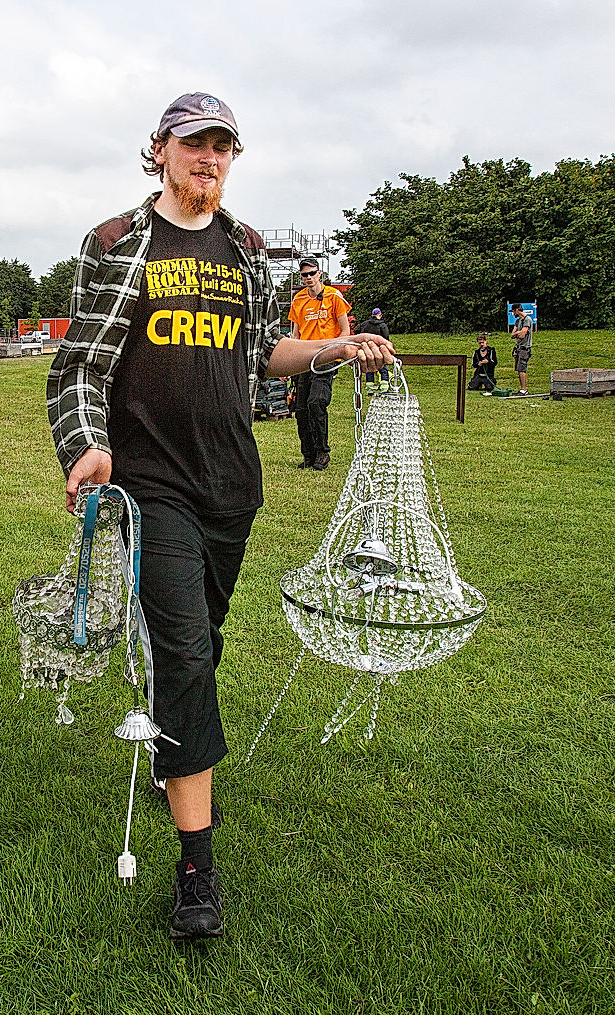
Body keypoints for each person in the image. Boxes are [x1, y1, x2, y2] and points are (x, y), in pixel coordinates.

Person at [46, 92, 394, 942]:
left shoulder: (244, 251)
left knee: (200, 643)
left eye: (223, 147)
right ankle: (197, 867)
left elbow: (263, 351)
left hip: (231, 484)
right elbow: (81, 363)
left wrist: (331, 348)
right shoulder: (115, 243)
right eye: (194, 143)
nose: (209, 158)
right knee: (186, 652)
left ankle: (179, 743)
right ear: (160, 149)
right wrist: (86, 447)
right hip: (150, 482)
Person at [288, 258, 351, 470]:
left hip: (325, 357)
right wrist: (291, 360)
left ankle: (322, 452)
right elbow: (295, 333)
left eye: (311, 273)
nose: (308, 278)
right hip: (305, 357)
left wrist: (338, 352)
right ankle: (308, 454)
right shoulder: (298, 300)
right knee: (301, 408)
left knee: (317, 402)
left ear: (319, 273)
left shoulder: (334, 296)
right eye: (304, 275)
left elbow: (345, 330)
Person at [357, 307, 390, 393]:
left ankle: (369, 388)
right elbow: (386, 337)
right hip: (379, 350)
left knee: (370, 368)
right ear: (380, 315)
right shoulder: (382, 325)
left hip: (367, 349)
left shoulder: (364, 324)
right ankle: (384, 387)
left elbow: (357, 333)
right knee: (382, 368)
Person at [510, 303, 533, 395]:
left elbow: (523, 335)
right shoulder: (517, 321)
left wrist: (519, 333)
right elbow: (512, 335)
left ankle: (524, 389)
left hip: (525, 348)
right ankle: (522, 388)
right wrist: (518, 333)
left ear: (517, 310)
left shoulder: (527, 319)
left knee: (522, 369)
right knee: (519, 369)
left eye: (513, 311)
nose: (513, 314)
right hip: (518, 348)